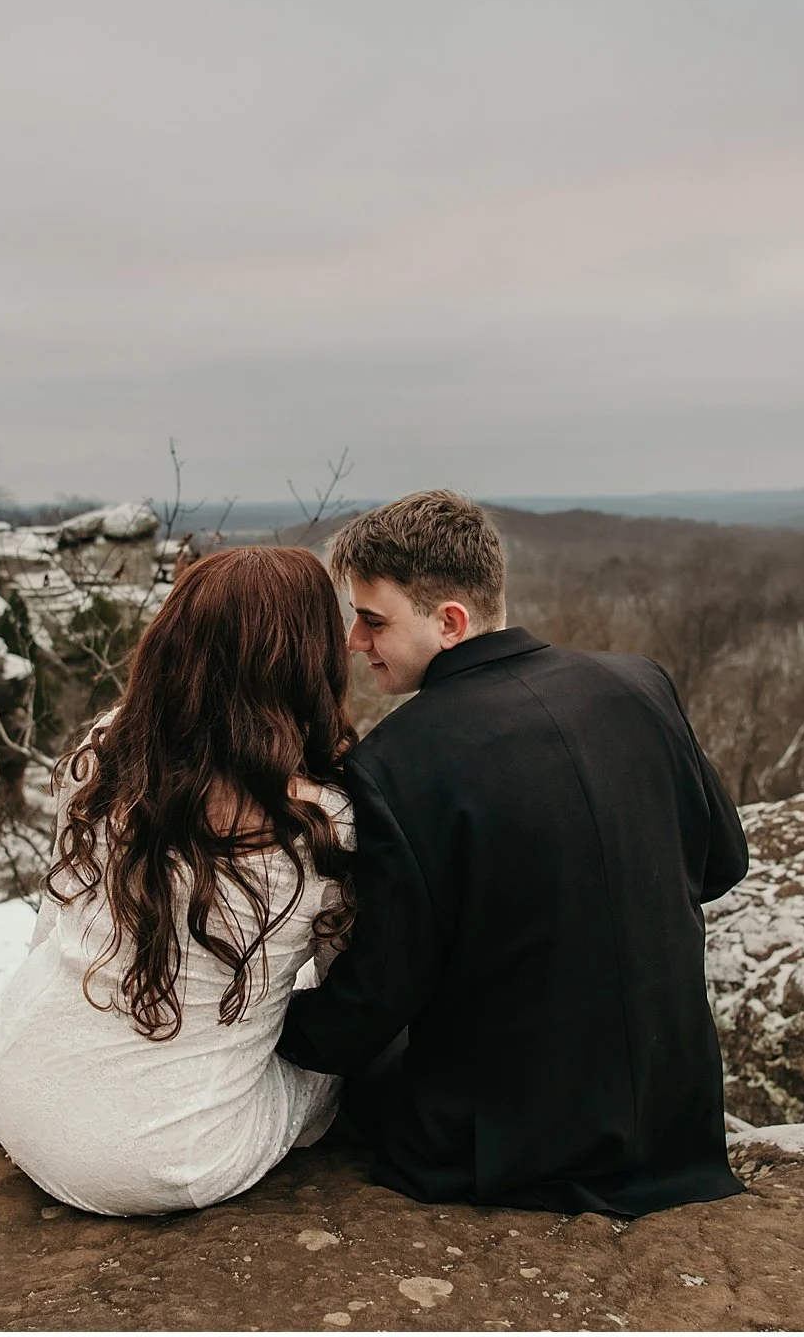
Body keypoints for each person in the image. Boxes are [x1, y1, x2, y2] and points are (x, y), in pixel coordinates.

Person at [276, 491, 748, 1217]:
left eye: (372, 621)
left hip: (509, 1147)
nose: (352, 641)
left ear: (450, 622)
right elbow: (722, 867)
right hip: (675, 1121)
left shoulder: (396, 762)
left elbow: (378, 996)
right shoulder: (639, 685)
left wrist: (277, 1031)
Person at [0, 547, 355, 1215]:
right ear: (310, 664)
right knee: (325, 1058)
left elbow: (50, 926)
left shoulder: (104, 752)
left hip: (16, 1090)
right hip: (169, 1155)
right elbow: (343, 996)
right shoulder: (324, 822)